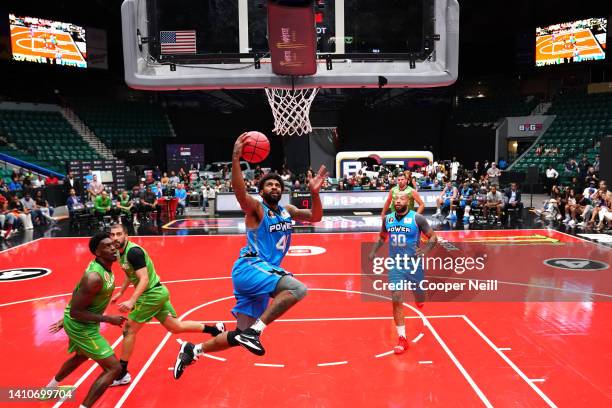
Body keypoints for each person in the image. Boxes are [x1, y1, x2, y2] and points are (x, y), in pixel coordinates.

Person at [172, 133, 327, 379]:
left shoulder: (288, 210)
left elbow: (316, 217)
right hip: (251, 266)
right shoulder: (256, 208)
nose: (274, 187)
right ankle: (255, 332)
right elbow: (239, 193)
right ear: (261, 190)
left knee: (238, 335)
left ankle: (193, 350)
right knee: (298, 289)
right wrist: (235, 158)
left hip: (259, 276)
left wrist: (315, 193)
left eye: (277, 185)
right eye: (269, 185)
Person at [108, 224, 224, 386]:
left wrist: (132, 300)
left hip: (151, 295)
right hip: (158, 292)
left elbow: (144, 279)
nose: (115, 238)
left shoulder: (133, 252)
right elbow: (130, 273)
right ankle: (215, 330)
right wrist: (121, 292)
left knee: (129, 330)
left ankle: (122, 374)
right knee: (175, 327)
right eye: (112, 235)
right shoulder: (120, 253)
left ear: (126, 235)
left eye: (119, 234)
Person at [46, 232, 126, 408]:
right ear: (97, 253)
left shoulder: (105, 266)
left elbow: (77, 295)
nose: (113, 247)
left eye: (113, 244)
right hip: (80, 325)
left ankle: (50, 388)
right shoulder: (94, 277)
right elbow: (77, 311)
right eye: (107, 246)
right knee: (114, 368)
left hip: (80, 320)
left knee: (81, 357)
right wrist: (109, 319)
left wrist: (66, 315)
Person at [368, 191, 437, 354]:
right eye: (396, 199)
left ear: (408, 201)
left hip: (414, 264)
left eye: (401, 198)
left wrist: (425, 250)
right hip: (396, 264)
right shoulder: (388, 219)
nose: (398, 201)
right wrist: (373, 251)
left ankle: (420, 298)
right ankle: (402, 338)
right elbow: (382, 237)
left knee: (419, 295)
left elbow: (433, 237)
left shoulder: (417, 218)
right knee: (397, 297)